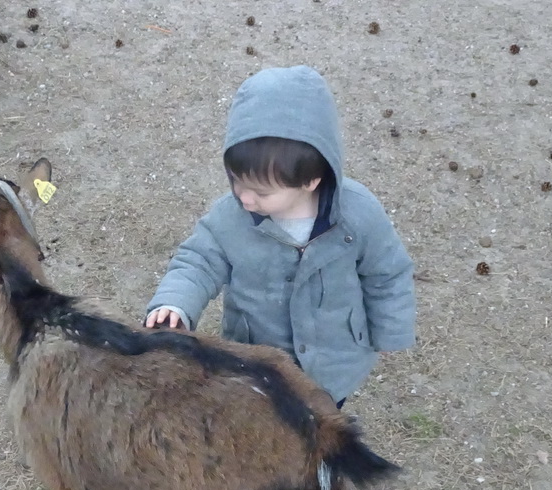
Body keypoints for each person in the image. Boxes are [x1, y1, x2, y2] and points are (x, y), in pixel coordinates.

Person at [144, 65, 416, 408]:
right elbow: (197, 262)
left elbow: (387, 274)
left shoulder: (359, 215)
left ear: (311, 181)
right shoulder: (230, 216)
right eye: (237, 181)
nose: (245, 198)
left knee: (323, 423)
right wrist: (174, 303)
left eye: (261, 192)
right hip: (256, 364)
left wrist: (391, 330)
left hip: (333, 364)